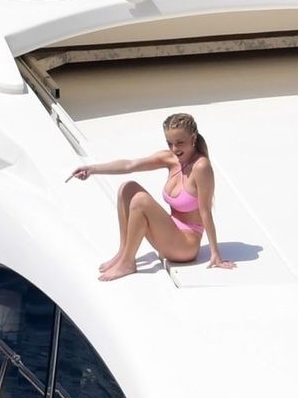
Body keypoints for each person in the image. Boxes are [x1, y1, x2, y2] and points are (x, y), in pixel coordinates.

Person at [65, 112, 236, 281]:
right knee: (127, 188)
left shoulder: (201, 167)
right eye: (170, 143)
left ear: (193, 138)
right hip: (171, 232)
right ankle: (123, 252)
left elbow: (206, 211)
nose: (175, 149)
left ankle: (128, 263)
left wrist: (215, 254)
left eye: (180, 142)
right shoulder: (170, 159)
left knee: (140, 201)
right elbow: (130, 165)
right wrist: (92, 169)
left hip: (186, 245)